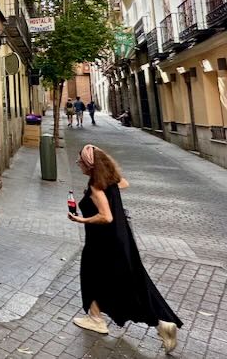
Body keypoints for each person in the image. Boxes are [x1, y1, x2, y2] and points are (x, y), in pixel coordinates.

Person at [68, 144, 182, 352]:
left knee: (90, 274)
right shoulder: (110, 180)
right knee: (129, 282)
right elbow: (124, 183)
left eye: (81, 162)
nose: (79, 165)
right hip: (122, 239)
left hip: (102, 242)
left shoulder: (96, 186)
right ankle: (162, 323)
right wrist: (103, 158)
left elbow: (106, 216)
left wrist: (81, 219)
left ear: (90, 165)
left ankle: (96, 319)